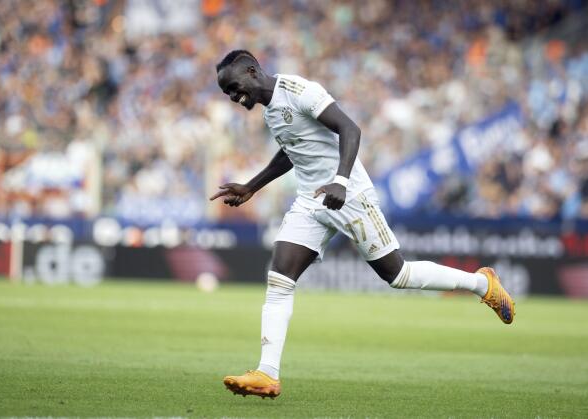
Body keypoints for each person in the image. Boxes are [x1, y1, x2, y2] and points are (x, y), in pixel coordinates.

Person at [210, 50, 515, 399]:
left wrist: (341, 180)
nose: (234, 97)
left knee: (398, 275)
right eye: (228, 94)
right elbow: (292, 151)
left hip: (348, 194)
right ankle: (267, 373)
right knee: (279, 279)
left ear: (251, 71)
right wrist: (252, 186)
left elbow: (349, 128)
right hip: (311, 200)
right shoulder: (270, 113)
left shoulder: (299, 90)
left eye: (234, 88)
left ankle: (481, 283)